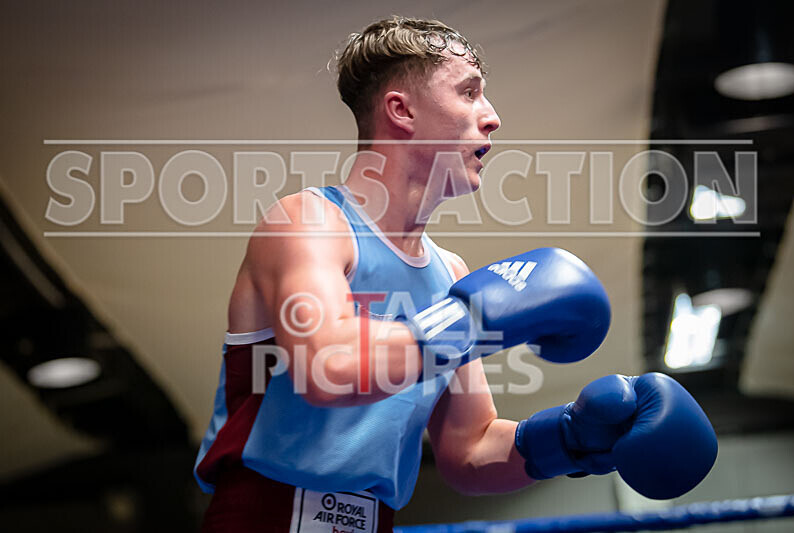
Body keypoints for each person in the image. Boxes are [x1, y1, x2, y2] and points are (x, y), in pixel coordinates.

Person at [194, 16, 717, 533]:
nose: (491, 117)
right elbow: (329, 366)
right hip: (258, 517)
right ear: (401, 110)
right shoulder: (309, 221)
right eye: (469, 93)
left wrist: (573, 439)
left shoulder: (451, 275)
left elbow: (469, 451)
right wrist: (474, 316)